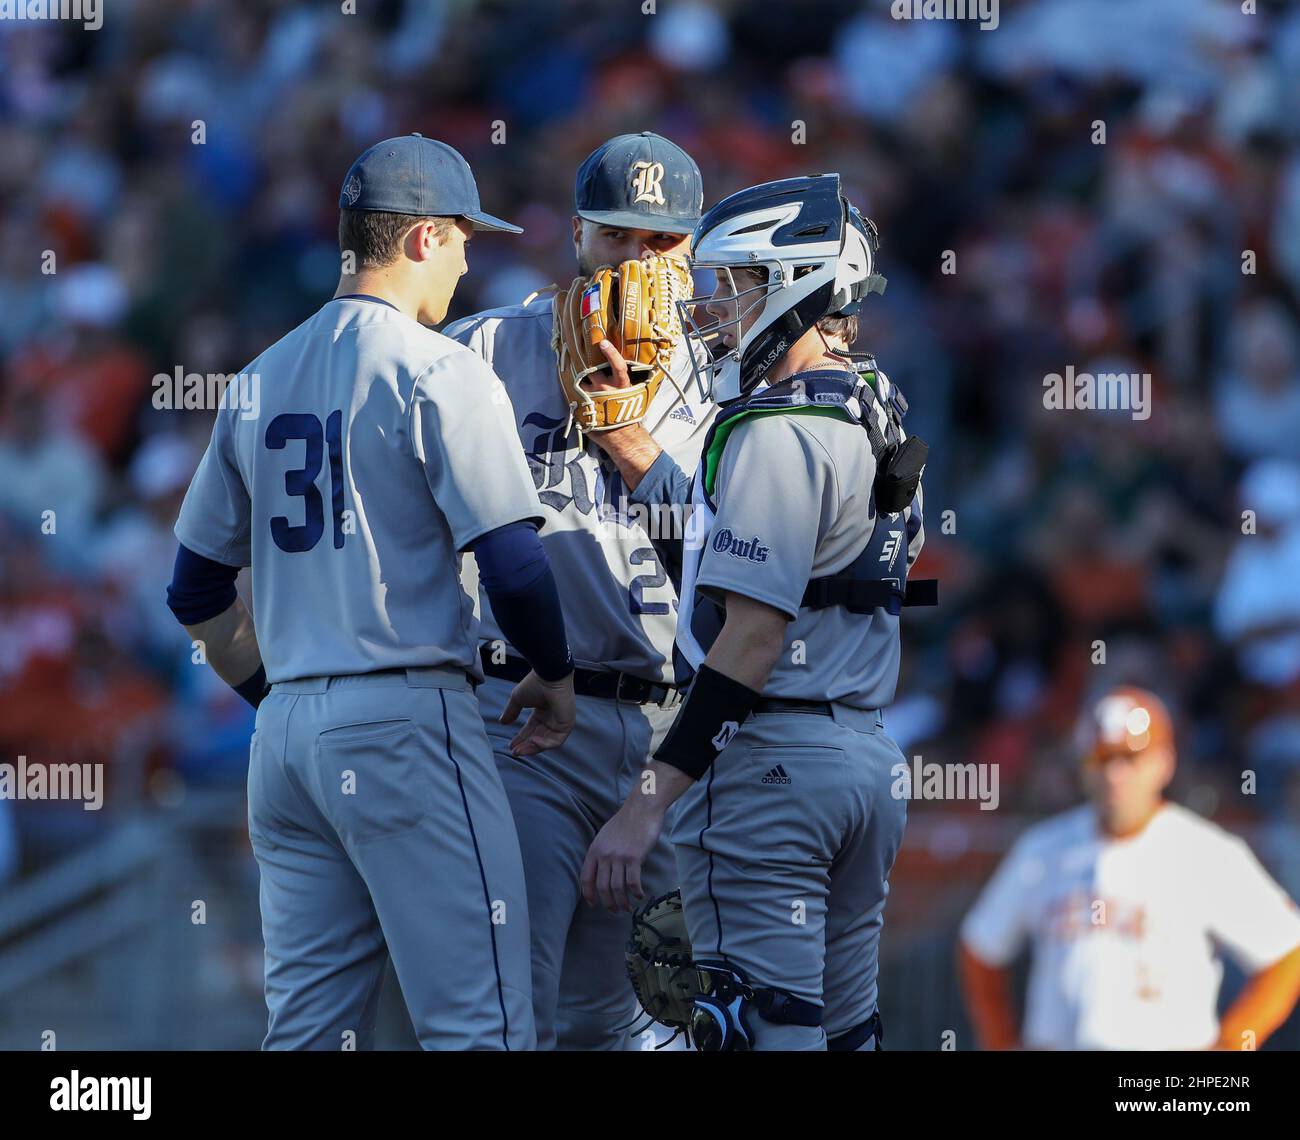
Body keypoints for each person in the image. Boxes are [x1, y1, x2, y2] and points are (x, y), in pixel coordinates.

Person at [166, 134, 576, 1050]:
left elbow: (193, 588)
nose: (472, 258)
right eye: (464, 236)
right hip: (404, 723)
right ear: (423, 237)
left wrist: (281, 697)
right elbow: (513, 564)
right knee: (484, 1028)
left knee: (309, 1037)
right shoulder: (439, 368)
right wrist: (555, 670)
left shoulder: (259, 375)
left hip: (285, 748)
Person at [582, 173, 933, 1050]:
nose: (714, 308)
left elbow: (752, 634)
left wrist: (647, 802)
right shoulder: (875, 412)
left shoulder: (775, 430)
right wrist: (629, 441)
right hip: (863, 758)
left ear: (794, 283)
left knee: (754, 1034)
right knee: (846, 1035)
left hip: (771, 770)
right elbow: (749, 557)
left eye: (735, 284)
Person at [443, 131, 713, 1050]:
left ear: (696, 251)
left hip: (673, 732)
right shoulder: (485, 349)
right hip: (521, 717)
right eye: (616, 239)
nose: (637, 263)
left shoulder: (731, 385)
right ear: (577, 237)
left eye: (661, 244)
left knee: (658, 1020)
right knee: (513, 1006)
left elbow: (739, 579)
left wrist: (630, 439)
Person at [959, 686, 1300, 1051]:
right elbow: (981, 946)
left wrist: (1234, 1041)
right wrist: (1000, 1041)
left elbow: (1286, 952)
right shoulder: (1044, 848)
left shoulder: (1205, 852)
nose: (1115, 774)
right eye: (1103, 759)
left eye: (1130, 758)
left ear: (1164, 763)